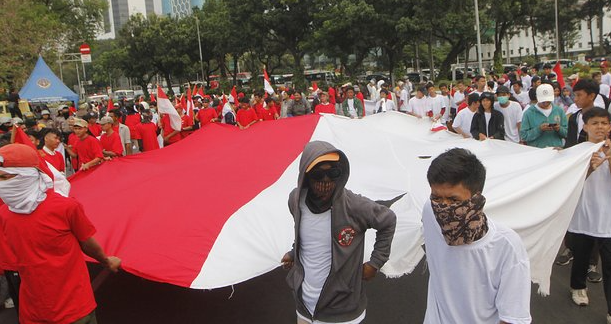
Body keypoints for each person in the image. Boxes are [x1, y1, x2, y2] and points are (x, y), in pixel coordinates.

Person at [0, 143, 121, 323]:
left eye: (5, 177)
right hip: (34, 310)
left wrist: (105, 259)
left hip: (72, 308)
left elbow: (87, 242)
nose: (2, 183)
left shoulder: (64, 207)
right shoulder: (4, 214)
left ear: (28, 175)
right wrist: (107, 261)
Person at [281, 141, 396, 324]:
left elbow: (388, 220)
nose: (326, 181)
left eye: (333, 173)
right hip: (304, 307)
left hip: (342, 313)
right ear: (306, 175)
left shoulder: (354, 206)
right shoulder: (295, 200)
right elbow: (304, 235)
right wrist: (293, 253)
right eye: (318, 174)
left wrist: (375, 263)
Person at [422, 148, 531, 324]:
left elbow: (512, 318)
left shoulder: (507, 247)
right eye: (437, 198)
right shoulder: (430, 212)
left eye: (454, 201)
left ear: (477, 197)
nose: (444, 208)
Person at [565, 107, 611, 311]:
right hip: (583, 213)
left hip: (607, 216)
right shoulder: (577, 152)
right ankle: (578, 287)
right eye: (595, 123)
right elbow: (570, 184)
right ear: (585, 127)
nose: (600, 127)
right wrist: (590, 168)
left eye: (604, 123)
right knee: (581, 255)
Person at [519, 84, 568, 148]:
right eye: (543, 101)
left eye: (548, 101)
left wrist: (559, 129)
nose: (545, 103)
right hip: (537, 152)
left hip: (556, 152)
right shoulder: (528, 113)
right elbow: (524, 136)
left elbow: (567, 133)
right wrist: (539, 129)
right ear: (537, 97)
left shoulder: (559, 111)